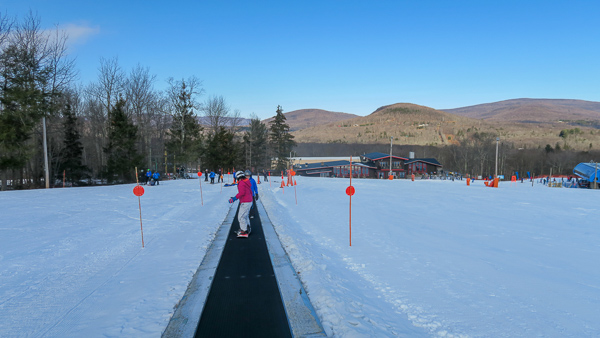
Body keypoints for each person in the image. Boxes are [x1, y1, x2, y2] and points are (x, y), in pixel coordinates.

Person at [229, 171, 253, 238]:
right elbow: (250, 191)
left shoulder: (241, 183)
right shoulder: (246, 182)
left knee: (241, 216)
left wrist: (234, 198)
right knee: (245, 215)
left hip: (246, 201)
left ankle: (244, 230)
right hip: (248, 201)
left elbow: (242, 193)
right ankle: (247, 228)